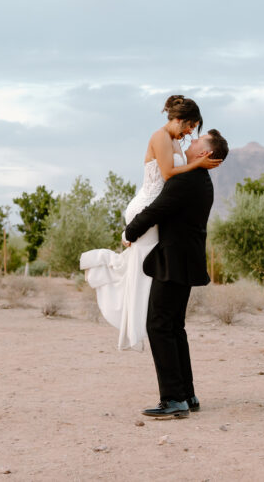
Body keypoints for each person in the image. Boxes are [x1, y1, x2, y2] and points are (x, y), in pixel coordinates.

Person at [80, 96, 221, 351]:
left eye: (194, 129)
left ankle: (148, 318)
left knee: (148, 267)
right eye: (190, 126)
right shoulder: (160, 137)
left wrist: (194, 164)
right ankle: (106, 268)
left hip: (159, 209)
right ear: (180, 120)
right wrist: (198, 163)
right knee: (142, 265)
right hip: (146, 206)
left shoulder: (176, 142)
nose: (190, 132)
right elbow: (167, 175)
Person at [123, 129, 229, 419]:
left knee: (158, 325)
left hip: (173, 261)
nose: (191, 141)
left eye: (198, 140)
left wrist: (129, 232)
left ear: (205, 153)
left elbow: (157, 209)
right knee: (174, 327)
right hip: (186, 260)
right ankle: (187, 394)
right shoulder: (201, 180)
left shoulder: (186, 180)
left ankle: (173, 399)